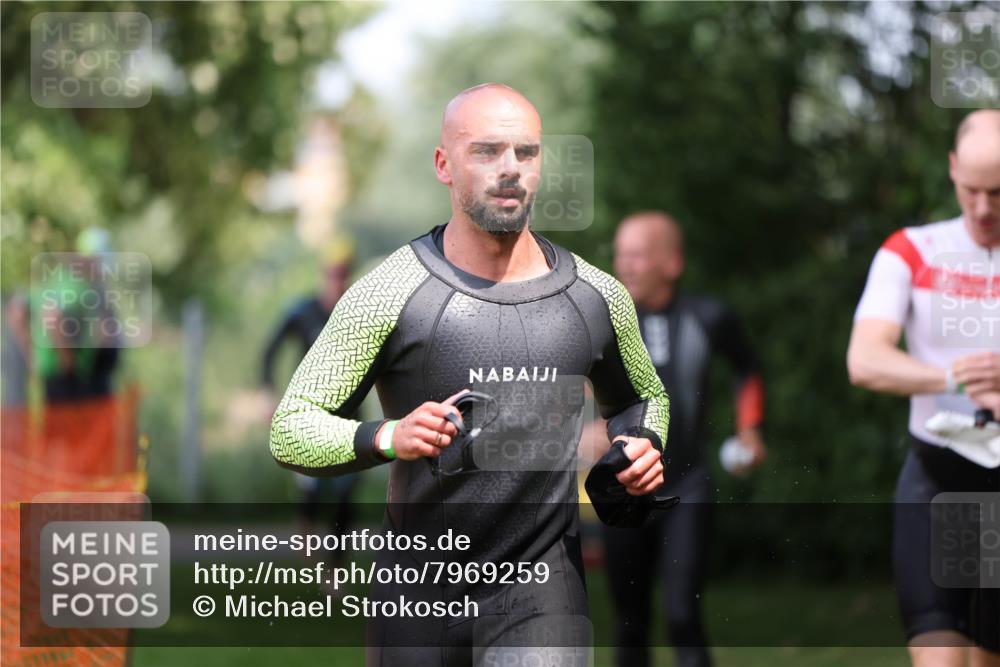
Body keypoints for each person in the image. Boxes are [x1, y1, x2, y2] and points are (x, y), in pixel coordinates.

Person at [269, 83, 670, 667]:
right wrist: (387, 435)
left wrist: (641, 447)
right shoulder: (388, 292)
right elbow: (291, 426)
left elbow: (643, 397)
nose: (510, 169)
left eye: (525, 152)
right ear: (443, 165)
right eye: (486, 151)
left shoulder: (595, 295)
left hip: (541, 589)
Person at [847, 109, 1000, 667]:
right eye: (972, 190)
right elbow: (864, 360)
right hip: (935, 480)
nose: (983, 208)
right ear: (953, 169)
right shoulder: (911, 249)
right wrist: (954, 376)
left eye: (999, 193)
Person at [589, 211, 766, 667]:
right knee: (629, 624)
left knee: (683, 614)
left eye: (638, 256)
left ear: (671, 264)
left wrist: (749, 429)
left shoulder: (708, 318)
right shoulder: (599, 321)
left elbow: (748, 369)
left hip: (687, 487)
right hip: (622, 492)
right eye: (621, 255)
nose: (625, 266)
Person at [261, 238, 357, 574]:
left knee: (345, 500)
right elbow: (269, 351)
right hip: (310, 417)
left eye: (343, 273)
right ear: (323, 273)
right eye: (333, 273)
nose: (338, 279)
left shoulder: (356, 315)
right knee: (312, 494)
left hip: (349, 418)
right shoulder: (303, 312)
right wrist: (268, 396)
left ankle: (335, 571)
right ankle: (306, 542)